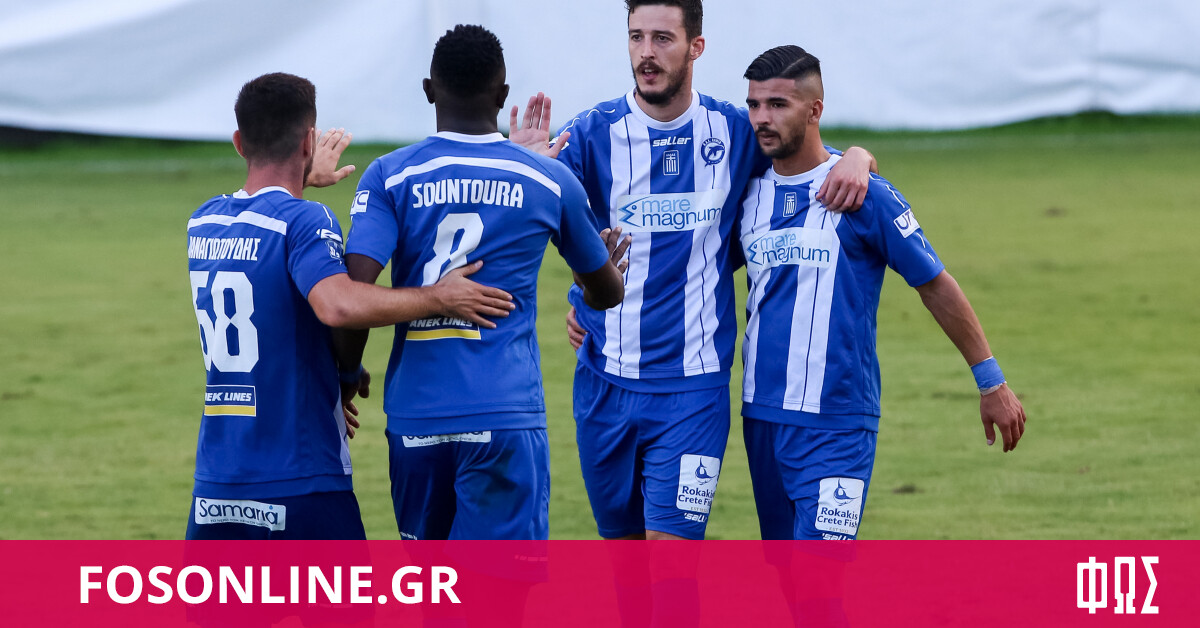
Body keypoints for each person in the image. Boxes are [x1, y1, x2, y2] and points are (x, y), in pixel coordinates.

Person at [510, 0, 876, 544]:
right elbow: (523, 231)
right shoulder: (590, 134)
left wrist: (858, 157)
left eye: (662, 38)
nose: (646, 53)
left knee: (670, 558)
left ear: (695, 47)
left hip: (694, 390)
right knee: (625, 561)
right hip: (604, 384)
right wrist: (526, 170)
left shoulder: (734, 131)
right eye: (636, 37)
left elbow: (806, 157)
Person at [184, 72, 516, 540]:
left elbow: (264, 234)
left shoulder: (203, 222)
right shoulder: (305, 219)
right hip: (300, 479)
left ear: (239, 142)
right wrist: (436, 297)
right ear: (309, 142)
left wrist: (300, 177)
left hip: (216, 486)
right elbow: (337, 307)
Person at [338, 25, 627, 542]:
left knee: (432, 586)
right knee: (500, 587)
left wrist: (345, 373)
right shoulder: (548, 178)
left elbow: (353, 294)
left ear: (429, 90)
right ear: (502, 94)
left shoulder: (388, 175)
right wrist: (598, 275)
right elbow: (607, 293)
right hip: (504, 412)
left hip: (416, 417)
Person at [738, 44, 1027, 538]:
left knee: (819, 573)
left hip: (838, 422)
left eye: (778, 104)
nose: (762, 118)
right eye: (754, 104)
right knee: (788, 573)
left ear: (815, 110)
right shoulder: (745, 191)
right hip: (761, 416)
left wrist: (991, 382)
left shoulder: (862, 194)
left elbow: (935, 285)